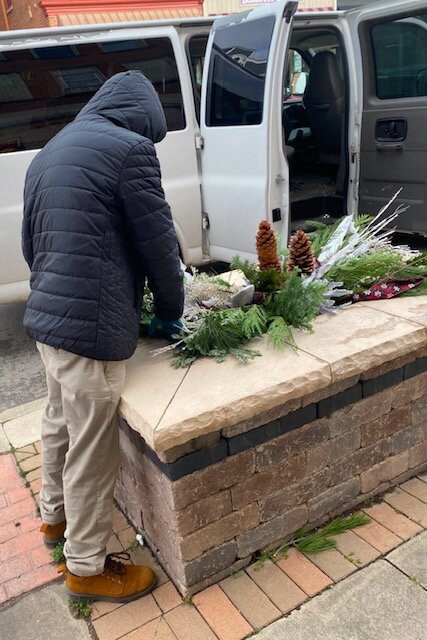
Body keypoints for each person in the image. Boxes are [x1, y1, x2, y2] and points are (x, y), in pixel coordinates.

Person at [21, 70, 184, 603]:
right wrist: (170, 310)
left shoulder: (49, 152)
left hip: (48, 319)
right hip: (89, 329)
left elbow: (31, 243)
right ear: (142, 119)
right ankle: (87, 567)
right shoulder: (130, 150)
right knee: (91, 448)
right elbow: (159, 244)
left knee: (57, 421)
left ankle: (54, 517)